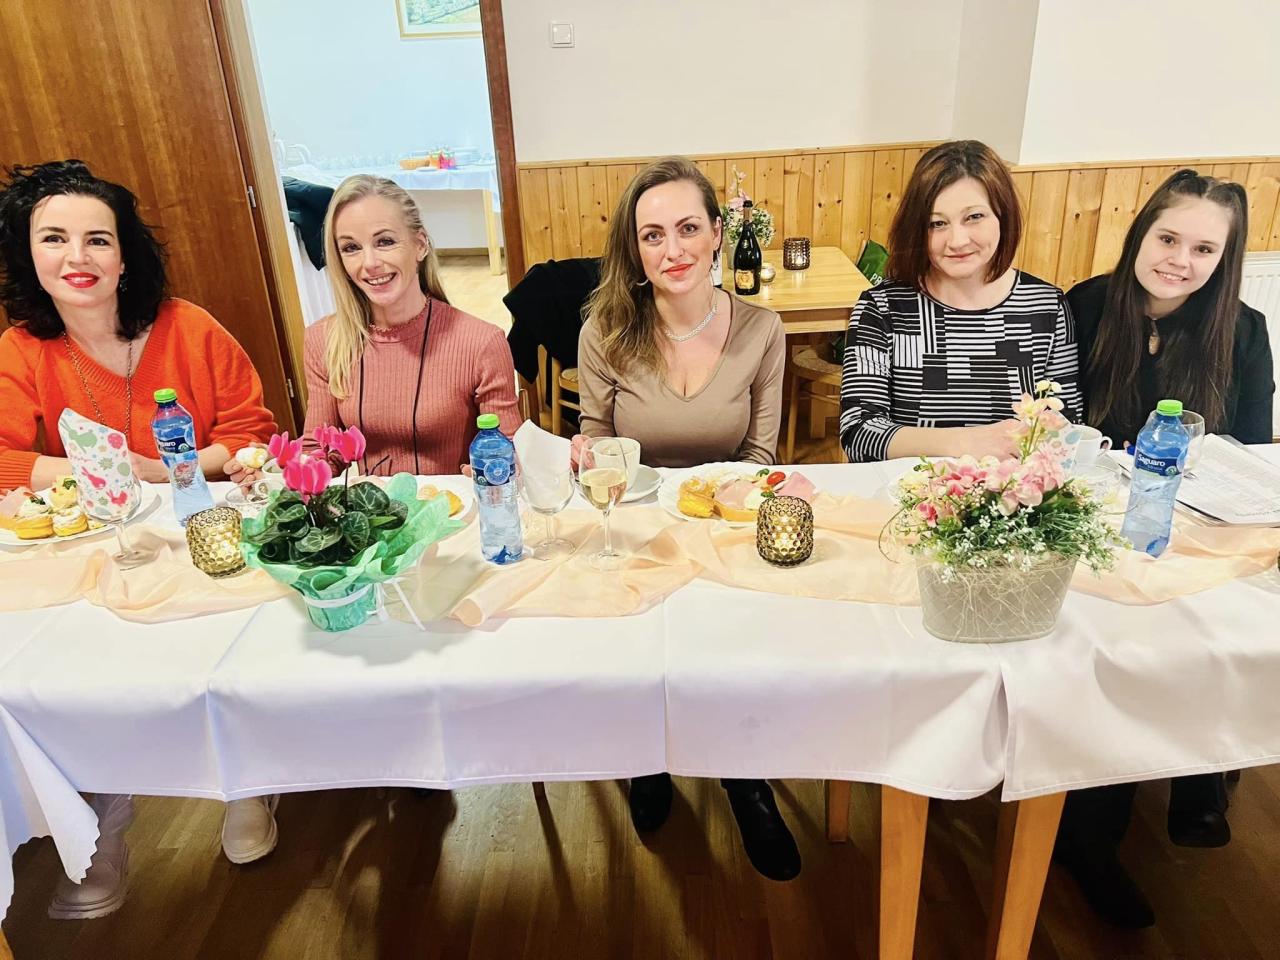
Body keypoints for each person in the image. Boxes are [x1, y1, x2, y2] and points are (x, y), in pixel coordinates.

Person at [0, 160, 280, 919]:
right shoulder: (22, 349)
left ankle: (246, 785)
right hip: (93, 541)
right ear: (27, 253)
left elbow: (250, 434)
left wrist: (161, 469)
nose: (77, 257)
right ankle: (103, 819)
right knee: (70, 672)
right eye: (53, 238)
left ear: (125, 255)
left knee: (221, 654)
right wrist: (95, 468)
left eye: (98, 239)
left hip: (203, 526)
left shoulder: (191, 327)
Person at [1057, 168, 1274, 929]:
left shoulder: (1243, 330)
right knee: (1126, 648)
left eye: (1203, 249)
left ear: (1225, 259)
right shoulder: (1086, 305)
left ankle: (1200, 777)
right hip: (1092, 528)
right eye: (1168, 238)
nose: (1180, 260)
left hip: (1197, 526)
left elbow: (1251, 454)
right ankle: (1089, 839)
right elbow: (1060, 428)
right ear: (1141, 234)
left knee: (1220, 624)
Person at [576, 157, 796, 881]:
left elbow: (760, 455)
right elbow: (598, 439)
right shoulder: (606, 331)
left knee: (733, 650)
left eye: (688, 229)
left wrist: (715, 516)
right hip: (637, 523)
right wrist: (584, 454)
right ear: (634, 248)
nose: (672, 250)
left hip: (727, 520)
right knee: (638, 648)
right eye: (652, 235)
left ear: (717, 234)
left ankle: (744, 779)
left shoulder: (762, 329)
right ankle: (649, 760)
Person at [839, 140, 1081, 463]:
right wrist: (966, 442)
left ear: (1003, 215)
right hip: (906, 489)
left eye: (974, 217)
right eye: (937, 223)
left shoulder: (1046, 306)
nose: (956, 240)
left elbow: (1067, 427)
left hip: (1010, 490)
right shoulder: (882, 308)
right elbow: (859, 433)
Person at [295, 174, 520, 476]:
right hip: (369, 506)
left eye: (385, 242)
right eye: (351, 248)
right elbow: (320, 451)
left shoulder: (481, 342)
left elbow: (507, 450)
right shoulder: (323, 340)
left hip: (455, 505)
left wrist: (497, 471)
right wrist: (288, 471)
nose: (369, 263)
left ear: (420, 245)